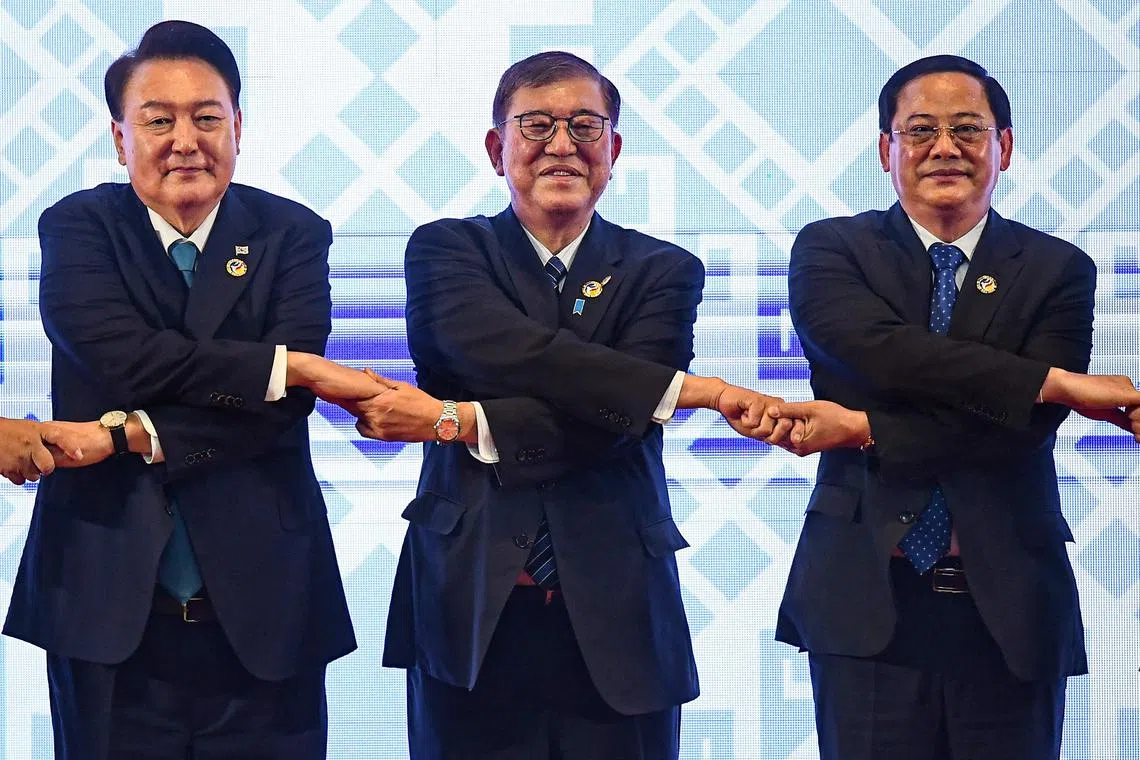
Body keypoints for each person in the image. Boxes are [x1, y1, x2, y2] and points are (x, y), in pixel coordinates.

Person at [309, 50, 781, 760]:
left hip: (619, 606)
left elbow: (615, 427)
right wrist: (686, 391)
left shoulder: (663, 270)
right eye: (536, 125)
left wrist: (457, 420)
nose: (562, 144)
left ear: (613, 149)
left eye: (585, 126)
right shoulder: (448, 249)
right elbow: (498, 351)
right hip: (468, 602)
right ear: (497, 148)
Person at [765, 54, 1140, 760]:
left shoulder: (1057, 269)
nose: (945, 148)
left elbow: (1020, 429)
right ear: (887, 149)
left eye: (968, 129)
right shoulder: (833, 249)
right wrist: (1055, 381)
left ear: (1005, 146)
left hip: (1012, 605)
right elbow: (877, 354)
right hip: (864, 596)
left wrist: (868, 428)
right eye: (920, 130)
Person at [3, 21, 355, 759]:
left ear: (238, 128)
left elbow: (284, 408)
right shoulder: (79, 227)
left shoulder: (293, 233)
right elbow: (121, 359)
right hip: (105, 596)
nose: (185, 141)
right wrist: (279, 368)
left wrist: (126, 434)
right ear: (119, 137)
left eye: (207, 117)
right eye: (158, 121)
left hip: (268, 602)